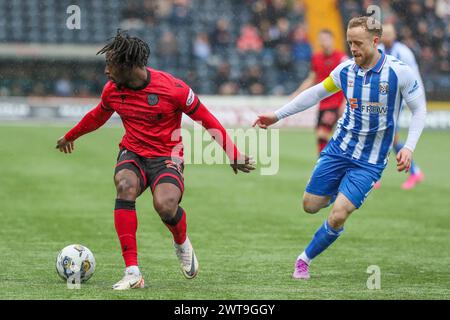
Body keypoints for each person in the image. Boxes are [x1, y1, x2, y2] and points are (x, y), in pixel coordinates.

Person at [56, 30, 255, 290]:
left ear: (127, 66)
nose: (106, 71)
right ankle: (132, 272)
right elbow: (97, 116)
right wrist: (70, 136)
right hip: (134, 153)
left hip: (166, 157)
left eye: (110, 64)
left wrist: (234, 153)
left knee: (165, 205)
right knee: (125, 186)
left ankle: (181, 241)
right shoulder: (112, 91)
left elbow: (206, 119)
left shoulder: (173, 88)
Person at [253, 16, 426, 280]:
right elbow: (315, 93)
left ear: (375, 41)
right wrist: (277, 115)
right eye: (349, 43)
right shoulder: (345, 71)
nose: (353, 49)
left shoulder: (399, 72)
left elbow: (419, 110)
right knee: (310, 206)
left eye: (358, 43)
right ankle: (340, 198)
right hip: (339, 150)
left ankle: (304, 259)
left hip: (369, 162)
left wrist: (409, 147)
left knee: (338, 215)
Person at [377, 23, 425, 189]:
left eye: (390, 33)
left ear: (395, 34)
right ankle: (414, 172)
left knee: (388, 137)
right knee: (388, 137)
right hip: (386, 100)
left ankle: (412, 171)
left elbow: (414, 77)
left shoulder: (403, 52)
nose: (387, 36)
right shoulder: (380, 49)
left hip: (401, 100)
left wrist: (417, 101)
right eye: (385, 33)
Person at [291, 29, 348, 154]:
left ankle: (324, 163)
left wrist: (345, 102)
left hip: (335, 103)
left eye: (326, 39)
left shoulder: (341, 58)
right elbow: (312, 78)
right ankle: (328, 162)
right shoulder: (316, 58)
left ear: (332, 40)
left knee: (322, 134)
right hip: (323, 103)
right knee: (320, 135)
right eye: (321, 40)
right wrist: (297, 93)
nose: (324, 42)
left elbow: (349, 82)